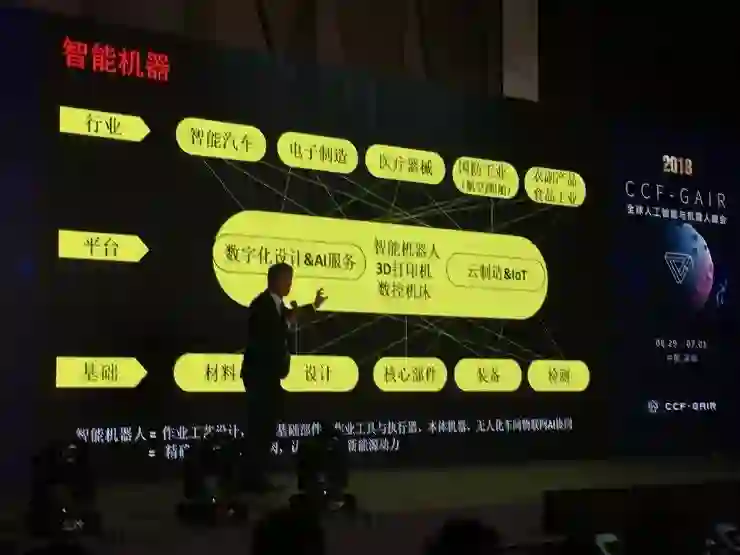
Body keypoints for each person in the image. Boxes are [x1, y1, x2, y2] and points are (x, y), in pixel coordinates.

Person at [241, 262, 327, 492]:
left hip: (269, 378)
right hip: (260, 377)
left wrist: (313, 306)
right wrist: (287, 322)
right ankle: (252, 479)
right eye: (287, 280)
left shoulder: (276, 305)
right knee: (259, 429)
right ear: (276, 280)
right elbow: (268, 334)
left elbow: (289, 317)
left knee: (266, 428)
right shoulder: (261, 305)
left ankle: (256, 477)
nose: (290, 285)